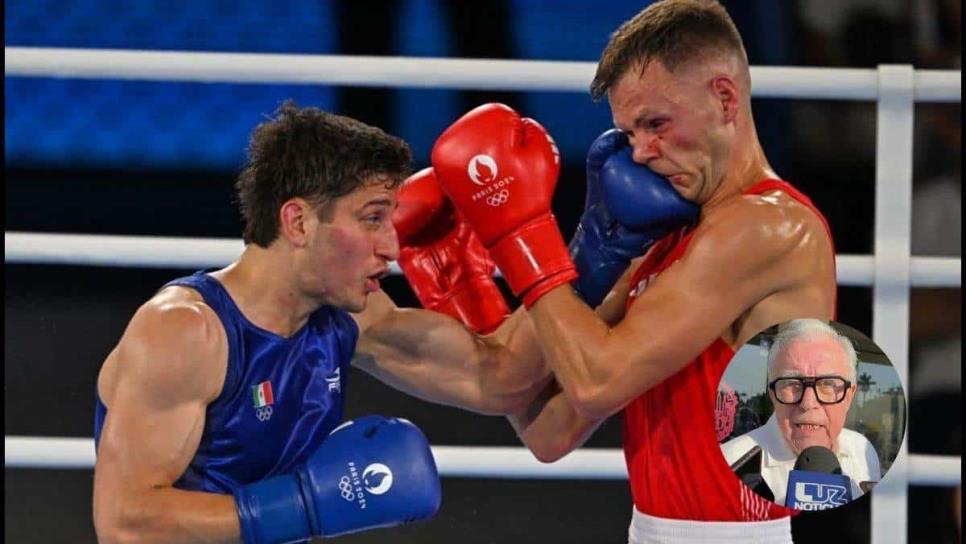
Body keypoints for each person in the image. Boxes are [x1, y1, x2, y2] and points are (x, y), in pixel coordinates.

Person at [427, 0, 838, 541]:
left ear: (724, 98)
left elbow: (597, 383)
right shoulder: (667, 237)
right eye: (629, 132)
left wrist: (522, 235)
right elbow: (549, 431)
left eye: (657, 124)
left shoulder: (767, 227)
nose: (642, 152)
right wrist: (470, 287)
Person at [92, 102, 550, 544]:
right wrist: (305, 506)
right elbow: (127, 523)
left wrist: (594, 251)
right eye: (372, 218)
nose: (392, 247)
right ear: (298, 222)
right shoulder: (186, 332)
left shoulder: (348, 316)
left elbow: (498, 379)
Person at [721, 319, 881, 505]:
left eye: (827, 384)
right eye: (791, 384)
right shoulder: (730, 462)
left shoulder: (864, 450)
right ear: (773, 394)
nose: (808, 403)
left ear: (849, 396)